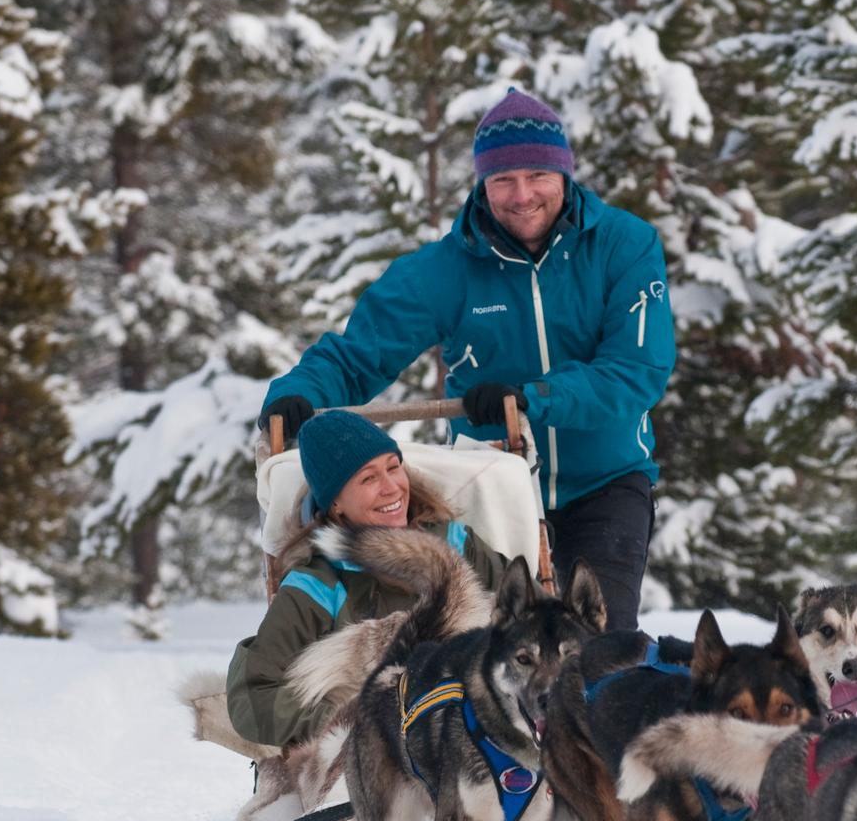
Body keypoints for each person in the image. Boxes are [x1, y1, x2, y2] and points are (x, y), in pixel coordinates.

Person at [258, 89, 674, 631]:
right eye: (502, 180)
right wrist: (302, 393)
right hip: (492, 484)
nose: (521, 195)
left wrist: (533, 399)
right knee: (492, 648)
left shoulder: (625, 245)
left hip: (606, 482)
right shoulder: (446, 268)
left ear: (565, 174)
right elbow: (359, 353)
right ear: (481, 183)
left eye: (537, 176)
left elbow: (637, 370)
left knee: (599, 642)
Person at [226, 411, 515, 749]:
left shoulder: (455, 544)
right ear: (335, 503)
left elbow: (537, 617)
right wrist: (341, 724)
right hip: (376, 753)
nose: (391, 487)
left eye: (394, 468)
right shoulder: (318, 585)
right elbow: (253, 693)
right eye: (368, 479)